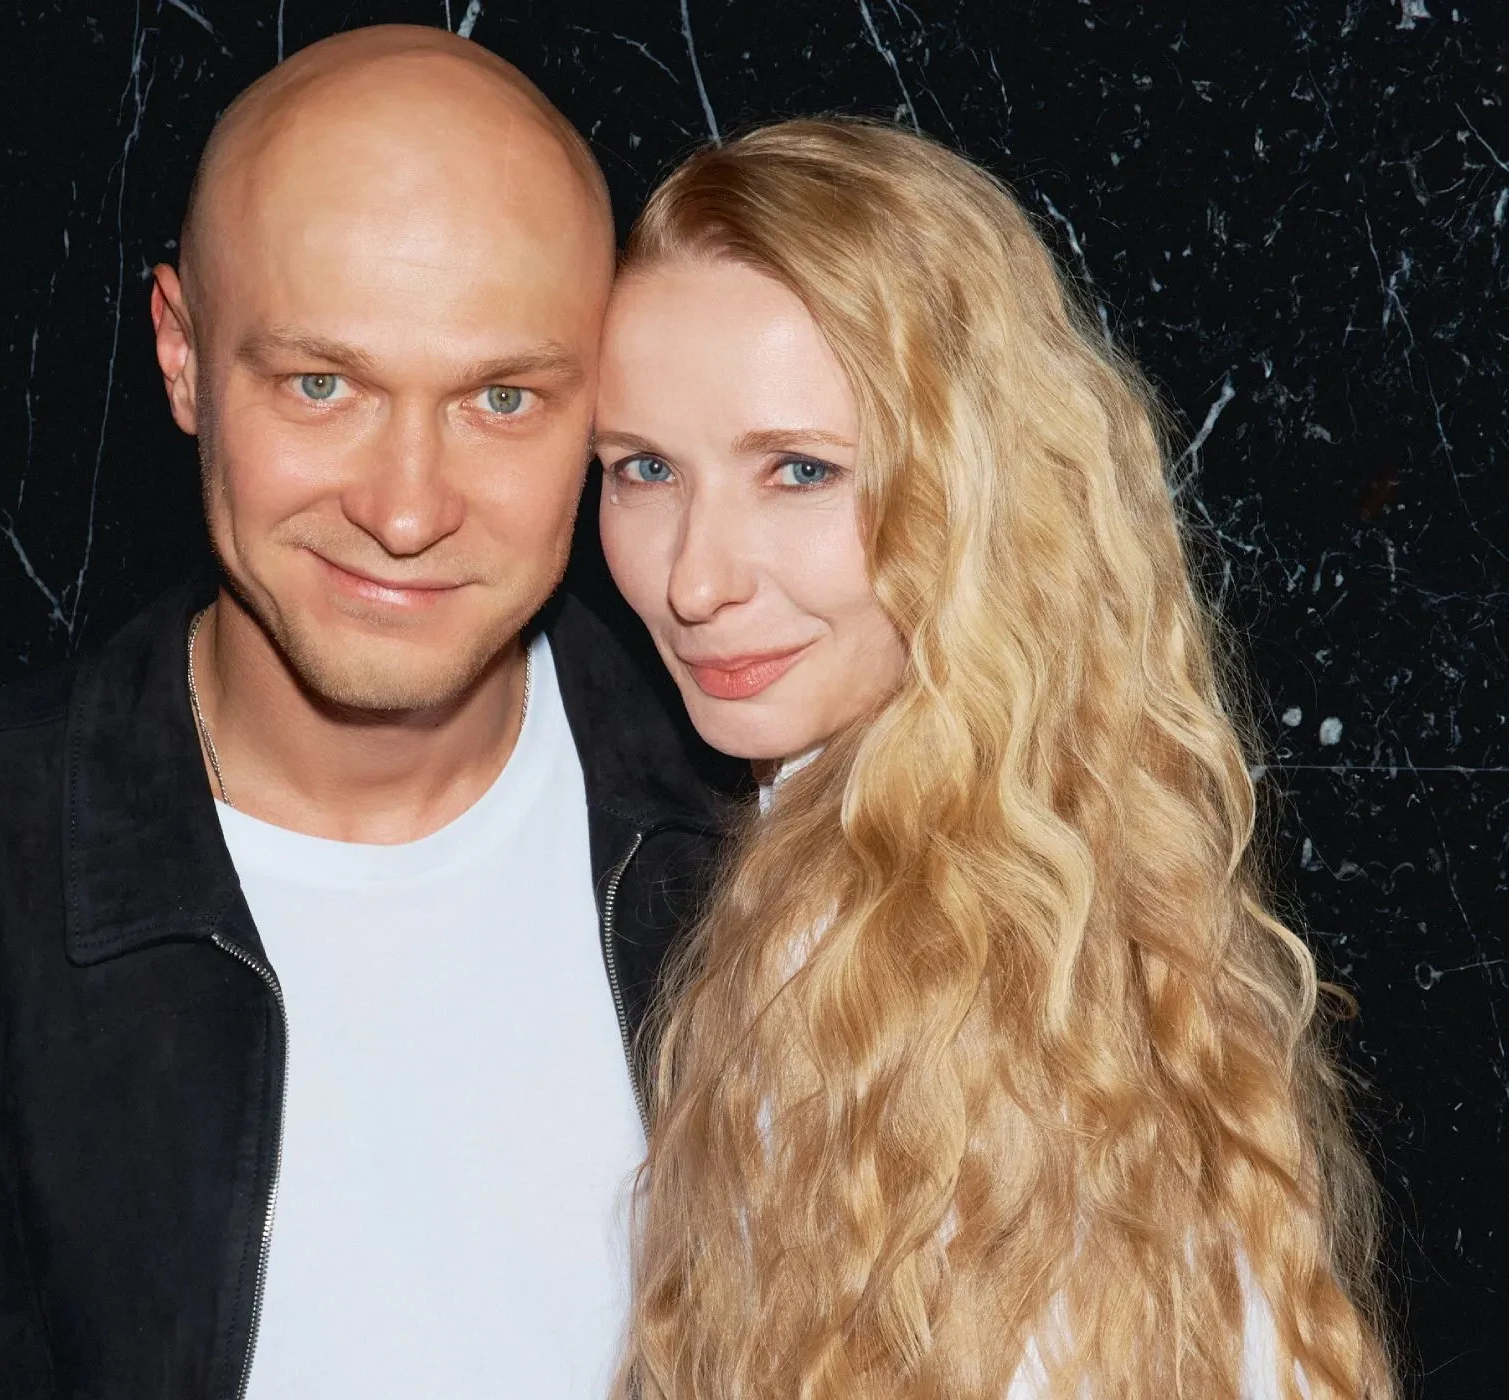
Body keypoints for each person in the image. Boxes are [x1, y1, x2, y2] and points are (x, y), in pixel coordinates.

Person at [0, 26, 733, 1400]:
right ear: (179, 353)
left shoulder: (766, 838)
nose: (405, 509)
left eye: (502, 398)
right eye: (321, 385)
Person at [593, 119, 1395, 1400]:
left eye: (800, 471)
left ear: (977, 485)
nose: (694, 578)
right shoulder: (1058, 868)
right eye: (643, 469)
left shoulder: (898, 961)